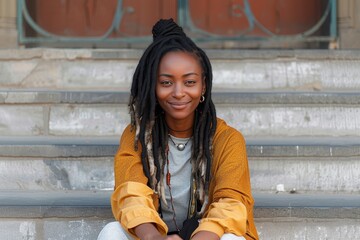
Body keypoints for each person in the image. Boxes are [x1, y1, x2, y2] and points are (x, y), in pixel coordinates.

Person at [98, 18, 258, 240]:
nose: (179, 92)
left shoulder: (228, 139)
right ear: (152, 86)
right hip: (155, 236)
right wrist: (155, 238)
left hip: (207, 236)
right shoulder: (136, 136)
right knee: (112, 232)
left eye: (189, 82)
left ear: (203, 85)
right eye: (166, 82)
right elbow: (130, 193)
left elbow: (231, 202)